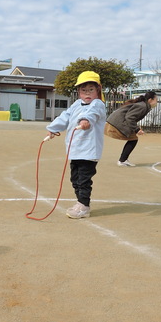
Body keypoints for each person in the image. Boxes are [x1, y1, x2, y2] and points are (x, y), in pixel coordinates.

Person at [45, 71, 106, 219]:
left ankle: (84, 205)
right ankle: (80, 202)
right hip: (75, 150)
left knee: (84, 179)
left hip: (89, 151)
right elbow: (64, 117)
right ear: (78, 91)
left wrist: (85, 120)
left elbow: (91, 114)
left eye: (91, 90)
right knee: (75, 179)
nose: (87, 93)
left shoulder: (97, 104)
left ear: (97, 90)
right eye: (83, 90)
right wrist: (53, 129)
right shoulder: (76, 104)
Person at [105, 91, 158, 166]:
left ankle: (123, 160)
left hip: (115, 122)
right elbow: (130, 118)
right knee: (133, 139)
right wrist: (137, 129)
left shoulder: (143, 105)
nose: (156, 102)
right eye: (156, 100)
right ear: (150, 100)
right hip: (116, 123)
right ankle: (122, 160)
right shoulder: (143, 106)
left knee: (133, 139)